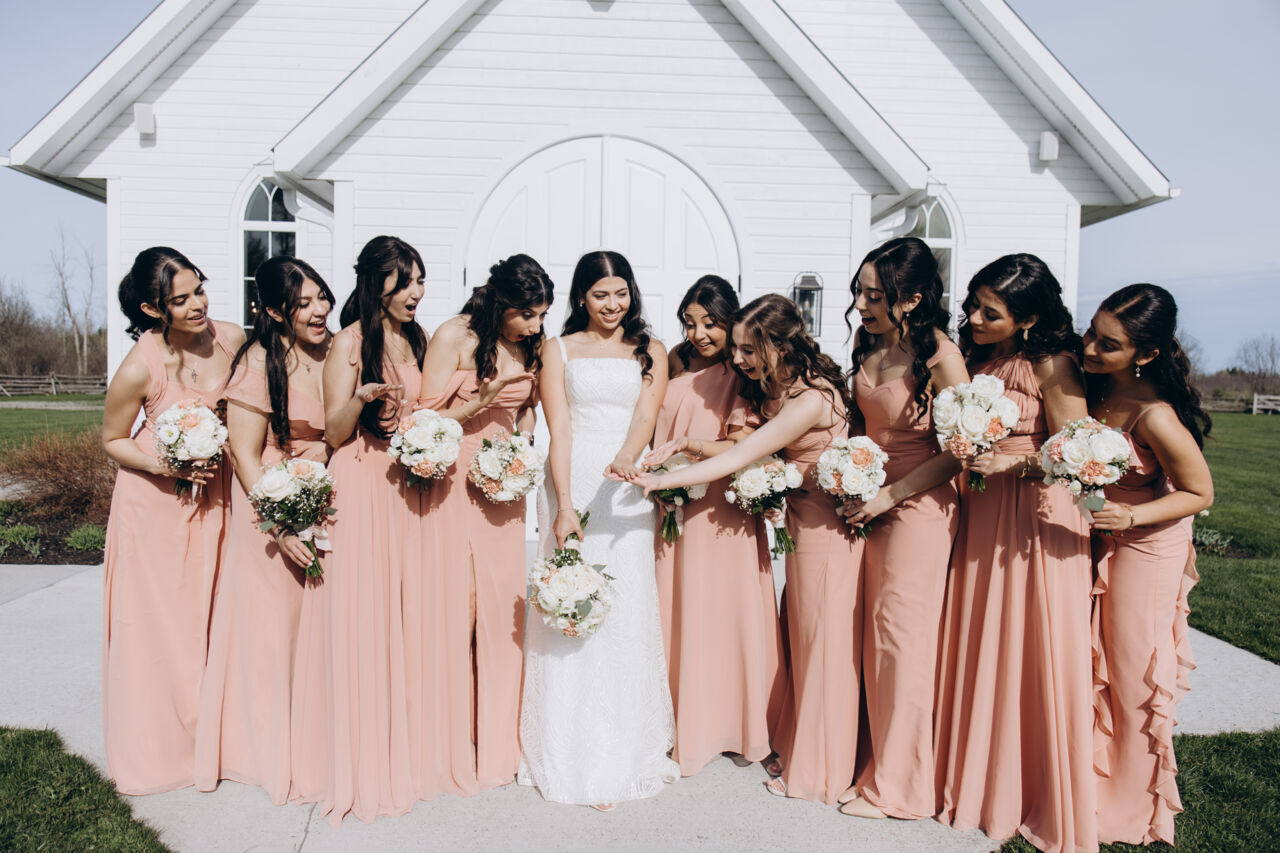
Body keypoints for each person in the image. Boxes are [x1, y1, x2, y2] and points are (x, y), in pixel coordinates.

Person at [636, 293, 860, 806]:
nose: (736, 360)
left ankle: (818, 774)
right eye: (734, 348)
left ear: (779, 344)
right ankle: (798, 745)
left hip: (827, 530)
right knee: (804, 641)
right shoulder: (781, 386)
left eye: (747, 350)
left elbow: (741, 455)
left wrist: (660, 480)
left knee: (824, 647)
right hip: (800, 523)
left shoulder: (810, 399)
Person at [932, 254, 1096, 853]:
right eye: (973, 305)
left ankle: (1024, 784)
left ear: (1027, 319)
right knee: (979, 635)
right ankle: (969, 772)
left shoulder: (1053, 366)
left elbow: (1078, 452)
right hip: (982, 513)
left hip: (1034, 519)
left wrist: (1013, 462)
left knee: (1025, 642)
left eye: (990, 312)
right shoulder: (976, 361)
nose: (974, 318)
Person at [518, 250, 677, 810]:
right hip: (574, 476)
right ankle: (569, 745)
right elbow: (558, 427)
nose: (613, 305)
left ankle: (623, 747)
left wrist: (627, 461)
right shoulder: (557, 349)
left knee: (625, 605)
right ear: (581, 297)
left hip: (626, 487)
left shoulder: (652, 349)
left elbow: (645, 417)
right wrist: (564, 505)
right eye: (600, 295)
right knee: (570, 599)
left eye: (621, 293)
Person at [292, 236, 428, 823]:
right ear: (378, 284)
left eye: (421, 281)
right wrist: (362, 398)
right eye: (407, 282)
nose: (417, 293)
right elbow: (333, 431)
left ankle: (404, 742)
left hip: (404, 483)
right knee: (362, 613)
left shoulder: (415, 338)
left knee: (401, 610)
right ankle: (358, 750)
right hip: (360, 478)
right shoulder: (348, 342)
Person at [101, 247, 244, 793]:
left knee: (216, 616)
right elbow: (113, 439)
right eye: (180, 300)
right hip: (156, 505)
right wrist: (168, 465)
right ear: (151, 309)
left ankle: (219, 742)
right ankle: (163, 751)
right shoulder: (140, 366)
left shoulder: (231, 339)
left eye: (199, 290)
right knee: (163, 626)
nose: (197, 305)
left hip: (220, 495)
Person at [194, 257, 333, 803]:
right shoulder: (258, 362)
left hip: (325, 498)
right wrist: (279, 526)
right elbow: (245, 455)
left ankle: (320, 740)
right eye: (303, 304)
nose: (319, 310)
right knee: (275, 631)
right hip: (272, 505)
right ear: (274, 311)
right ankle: (270, 749)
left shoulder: (336, 349)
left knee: (320, 629)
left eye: (321, 297)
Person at [837, 238, 967, 820]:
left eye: (875, 295)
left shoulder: (939, 353)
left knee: (902, 643)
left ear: (912, 299)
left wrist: (891, 495)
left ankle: (902, 788)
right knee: (872, 639)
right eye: (860, 293)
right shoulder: (867, 343)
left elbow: (961, 450)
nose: (863, 305)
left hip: (918, 509)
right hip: (868, 504)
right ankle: (873, 768)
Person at [416, 254, 552, 792]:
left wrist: (523, 443)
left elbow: (527, 409)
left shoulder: (530, 344)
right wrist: (482, 402)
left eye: (542, 315)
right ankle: (446, 740)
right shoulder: (453, 336)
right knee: (456, 607)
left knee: (501, 607)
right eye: (526, 315)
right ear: (500, 302)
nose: (535, 326)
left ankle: (497, 745)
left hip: (504, 481)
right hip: (454, 475)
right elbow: (424, 419)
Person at [1082, 283, 1212, 846]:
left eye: (1108, 344)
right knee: (1097, 663)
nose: (1090, 348)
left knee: (1134, 668)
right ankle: (1091, 779)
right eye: (1092, 332)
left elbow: (1200, 492)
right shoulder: (1094, 387)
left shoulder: (1155, 415)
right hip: (1104, 534)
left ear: (1147, 353)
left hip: (1147, 546)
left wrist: (1131, 517)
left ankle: (1131, 803)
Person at [642, 275, 784, 777]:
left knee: (729, 613)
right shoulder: (673, 361)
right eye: (690, 322)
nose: (698, 333)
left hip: (724, 507)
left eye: (710, 323)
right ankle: (680, 721)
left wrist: (690, 454)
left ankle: (740, 725)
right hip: (672, 502)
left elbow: (744, 445)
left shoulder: (743, 370)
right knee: (677, 608)